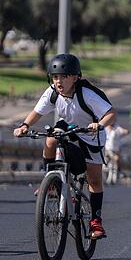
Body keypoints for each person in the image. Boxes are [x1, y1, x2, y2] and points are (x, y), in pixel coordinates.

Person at [13, 53, 116, 239]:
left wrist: (99, 124)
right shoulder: (52, 92)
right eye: (55, 77)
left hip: (91, 135)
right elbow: (37, 112)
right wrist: (24, 126)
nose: (59, 81)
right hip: (69, 126)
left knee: (94, 180)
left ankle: (96, 222)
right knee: (51, 138)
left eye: (64, 76)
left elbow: (110, 113)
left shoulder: (87, 94)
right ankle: (51, 182)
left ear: (75, 77)